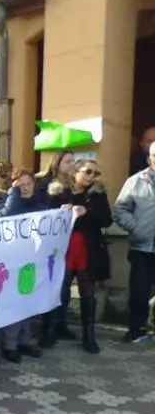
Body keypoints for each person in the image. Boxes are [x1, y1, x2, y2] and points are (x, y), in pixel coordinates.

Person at [48, 159, 112, 354]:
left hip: (88, 249)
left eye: (95, 173)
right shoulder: (59, 192)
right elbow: (48, 218)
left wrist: (87, 212)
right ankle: (52, 330)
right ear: (76, 172)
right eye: (88, 172)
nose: (92, 176)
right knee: (60, 289)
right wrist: (61, 212)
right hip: (64, 249)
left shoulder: (97, 194)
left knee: (87, 291)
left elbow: (107, 219)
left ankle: (89, 336)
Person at [0, 169, 46, 362]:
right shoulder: (6, 203)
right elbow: (5, 217)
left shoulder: (41, 205)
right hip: (11, 261)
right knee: (14, 303)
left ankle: (24, 341)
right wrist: (13, 194)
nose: (25, 188)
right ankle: (9, 345)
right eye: (20, 184)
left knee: (28, 302)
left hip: (33, 261)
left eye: (28, 183)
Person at [114, 140, 155, 343]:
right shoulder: (136, 181)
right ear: (150, 157)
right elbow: (120, 210)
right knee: (139, 292)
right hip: (142, 247)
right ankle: (136, 329)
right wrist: (135, 228)